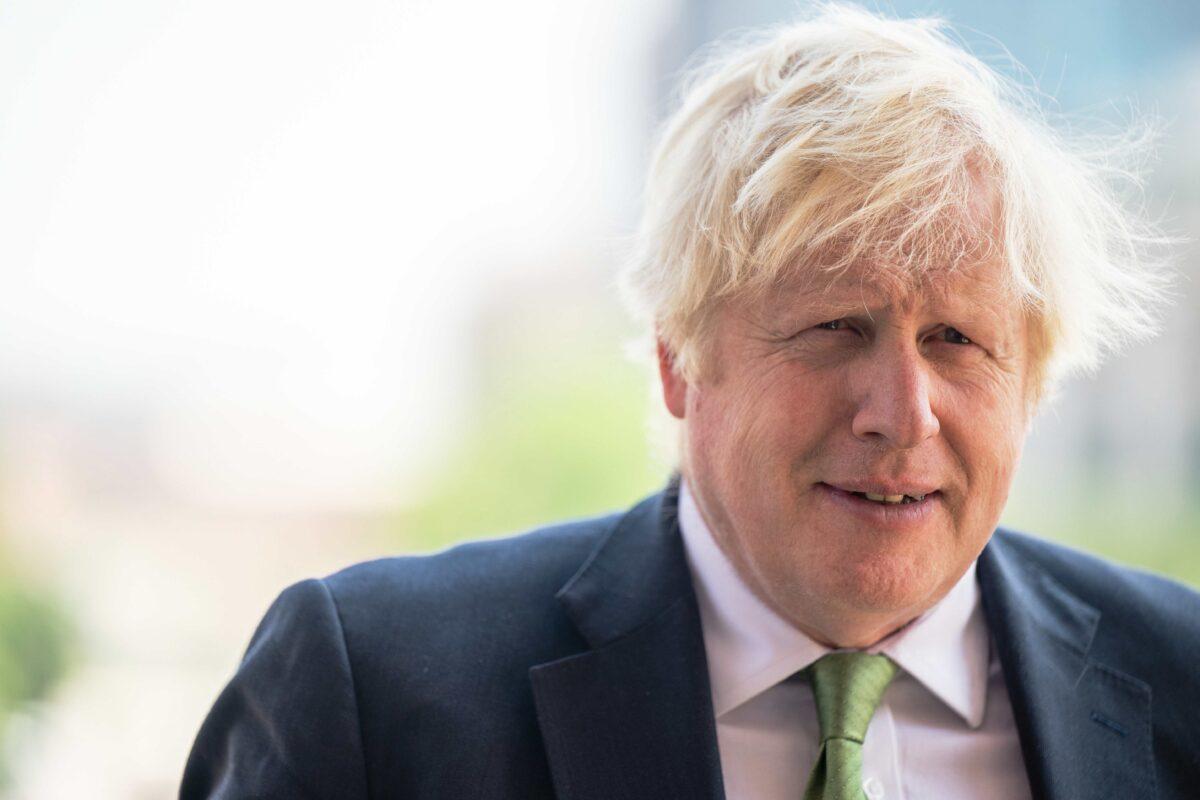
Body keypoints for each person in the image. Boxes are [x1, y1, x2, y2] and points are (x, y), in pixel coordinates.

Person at [181, 5, 1199, 799]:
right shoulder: (376, 690)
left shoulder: (1182, 680)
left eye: (958, 341)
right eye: (836, 327)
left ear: (1032, 379)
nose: (903, 411)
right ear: (679, 357)